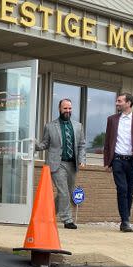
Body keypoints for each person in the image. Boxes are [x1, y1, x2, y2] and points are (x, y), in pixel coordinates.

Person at [103, 92, 133, 233]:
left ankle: (126, 219)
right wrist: (107, 162)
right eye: (117, 101)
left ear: (128, 103)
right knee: (122, 189)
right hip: (117, 159)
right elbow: (107, 142)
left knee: (129, 192)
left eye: (119, 101)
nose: (117, 103)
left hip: (131, 161)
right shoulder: (111, 120)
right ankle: (125, 221)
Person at [36, 98, 86, 229]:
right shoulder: (50, 126)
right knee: (63, 192)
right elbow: (45, 144)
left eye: (69, 108)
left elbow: (82, 145)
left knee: (67, 193)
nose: (68, 111)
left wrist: (82, 159)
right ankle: (67, 220)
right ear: (59, 109)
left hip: (72, 164)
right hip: (56, 164)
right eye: (65, 108)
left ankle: (47, 215)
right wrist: (34, 144)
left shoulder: (78, 126)